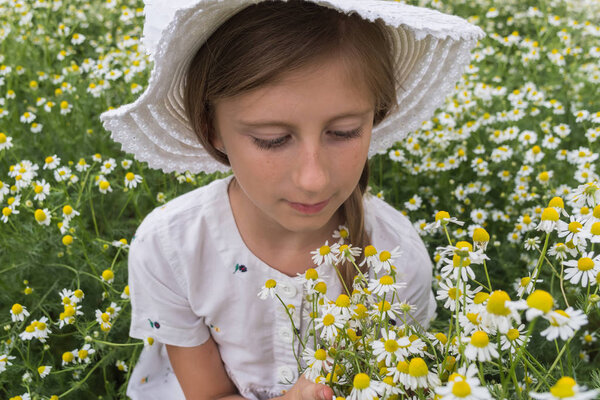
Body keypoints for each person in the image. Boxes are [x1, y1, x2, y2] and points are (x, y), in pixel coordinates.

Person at [99, 1, 484, 399]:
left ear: (376, 117)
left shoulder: (396, 258)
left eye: (345, 131)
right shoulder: (172, 248)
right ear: (211, 128)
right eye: (273, 139)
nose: (313, 179)